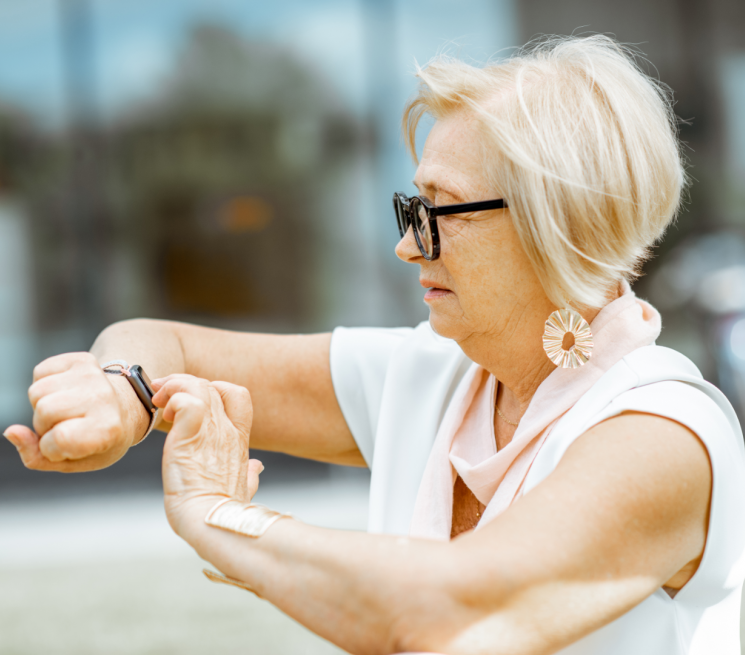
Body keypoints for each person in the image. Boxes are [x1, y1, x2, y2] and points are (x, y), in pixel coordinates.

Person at [4, 35, 745, 655]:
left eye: (439, 211)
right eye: (410, 207)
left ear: (560, 222)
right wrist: (120, 391)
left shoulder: (663, 433)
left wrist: (215, 513)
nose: (404, 245)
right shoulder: (427, 372)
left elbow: (447, 616)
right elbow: (162, 343)